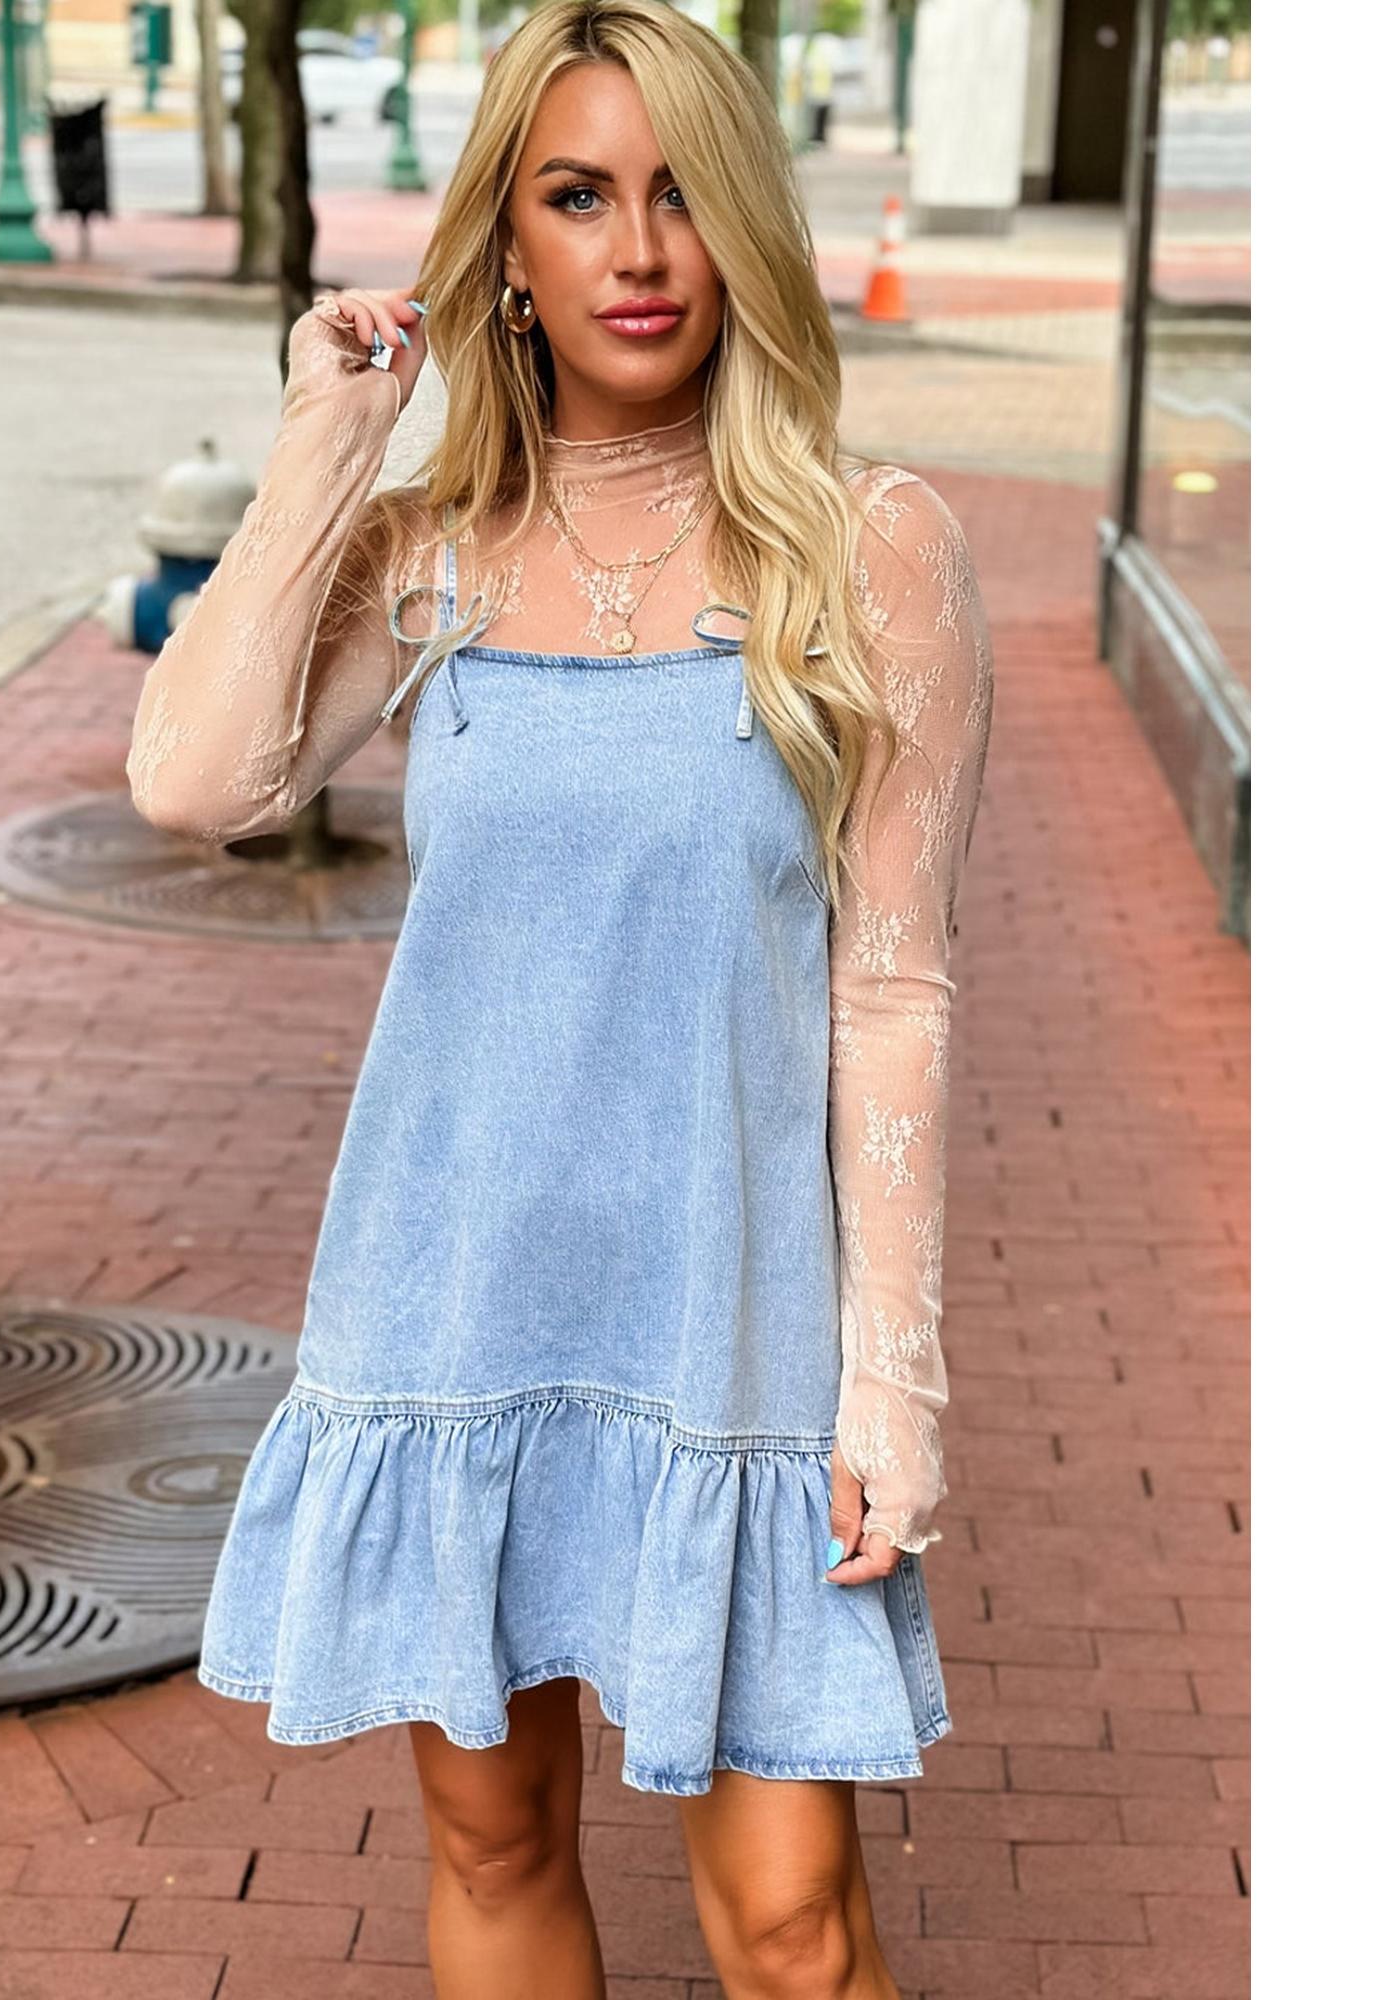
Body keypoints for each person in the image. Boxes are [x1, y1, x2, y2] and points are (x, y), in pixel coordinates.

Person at [125, 3, 992, 1993]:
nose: (639, 249)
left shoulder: (871, 551)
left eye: (682, 194)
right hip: (456, 1293)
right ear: (505, 245)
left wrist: (894, 1374)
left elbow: (894, 987)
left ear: (746, 226)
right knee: (496, 1833)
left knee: (792, 1919)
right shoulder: (428, 555)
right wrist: (325, 449)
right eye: (579, 197)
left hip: (735, 1315)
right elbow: (194, 783)